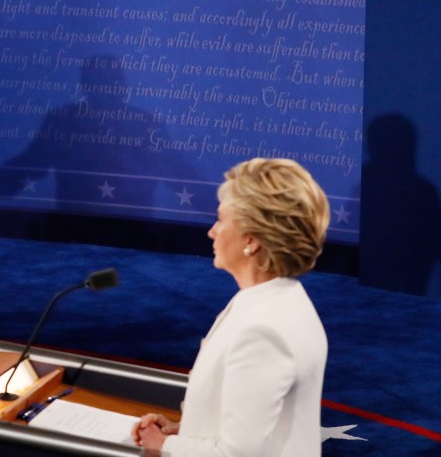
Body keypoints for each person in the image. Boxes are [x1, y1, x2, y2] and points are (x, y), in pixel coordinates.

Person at [131, 158, 330, 457]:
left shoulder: (263, 330)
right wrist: (184, 430)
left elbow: (236, 454)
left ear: (251, 241)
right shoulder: (277, 298)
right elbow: (256, 423)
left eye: (221, 220)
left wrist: (164, 445)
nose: (212, 231)